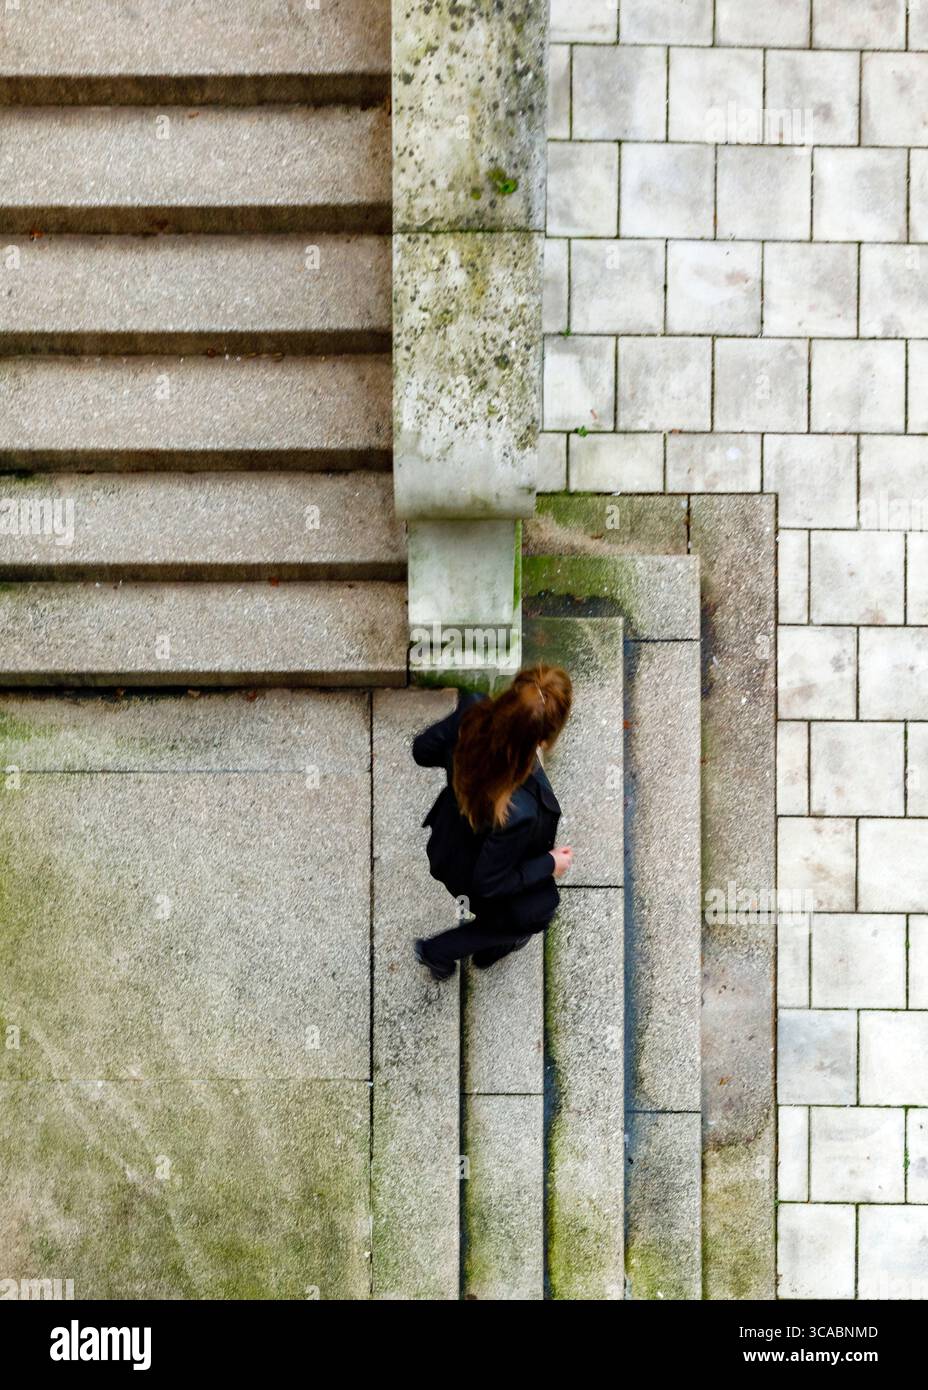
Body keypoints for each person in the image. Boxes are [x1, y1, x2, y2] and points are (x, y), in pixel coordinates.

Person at [411, 664, 574, 979]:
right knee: (538, 910)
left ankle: (478, 948)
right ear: (545, 738)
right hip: (470, 870)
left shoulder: (472, 709)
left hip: (448, 842)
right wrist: (549, 864)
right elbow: (490, 883)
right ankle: (445, 950)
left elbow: (422, 750)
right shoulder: (520, 811)